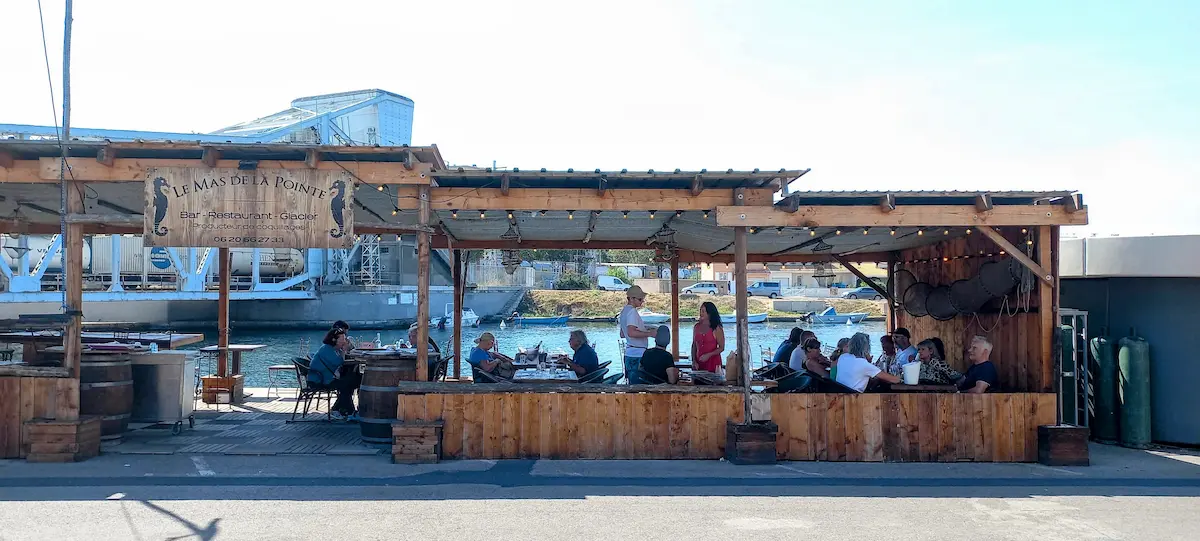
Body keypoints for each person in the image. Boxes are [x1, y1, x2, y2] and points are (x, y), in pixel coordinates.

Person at [306, 327, 361, 417]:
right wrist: (343, 350)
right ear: (334, 340)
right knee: (347, 385)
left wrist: (345, 350)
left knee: (352, 382)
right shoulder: (327, 349)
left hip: (327, 378)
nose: (344, 341)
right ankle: (349, 411)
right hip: (319, 381)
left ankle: (340, 409)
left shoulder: (334, 349)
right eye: (342, 339)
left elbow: (343, 359)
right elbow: (339, 362)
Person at [830, 332, 901, 392]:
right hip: (855, 397)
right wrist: (902, 376)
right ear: (866, 348)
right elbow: (894, 380)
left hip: (840, 393)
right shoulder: (864, 364)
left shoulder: (843, 357)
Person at [618, 286, 656, 383]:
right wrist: (650, 333)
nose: (642, 301)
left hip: (629, 353)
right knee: (639, 386)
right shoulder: (632, 312)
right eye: (640, 299)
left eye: (642, 299)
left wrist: (642, 329)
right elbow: (631, 332)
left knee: (631, 386)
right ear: (631, 298)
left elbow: (623, 334)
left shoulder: (623, 312)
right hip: (637, 354)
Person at [692, 301, 726, 373]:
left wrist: (708, 355)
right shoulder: (696, 327)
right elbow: (694, 345)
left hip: (713, 363)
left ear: (709, 313)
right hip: (699, 363)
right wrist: (694, 361)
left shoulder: (717, 328)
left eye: (703, 311)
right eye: (700, 311)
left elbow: (721, 347)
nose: (701, 313)